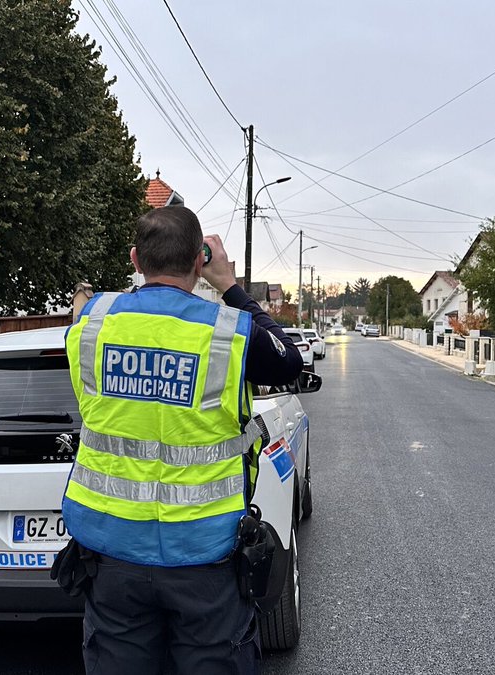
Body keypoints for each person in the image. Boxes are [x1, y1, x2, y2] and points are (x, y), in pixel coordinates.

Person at [59, 205, 304, 674]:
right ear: (198, 261)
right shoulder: (228, 332)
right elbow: (288, 360)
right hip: (204, 557)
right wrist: (230, 285)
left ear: (135, 259)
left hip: (111, 552)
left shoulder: (91, 324)